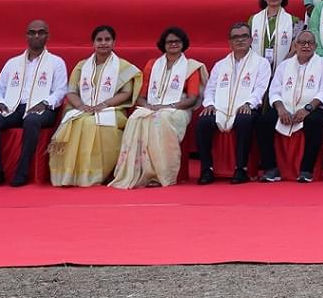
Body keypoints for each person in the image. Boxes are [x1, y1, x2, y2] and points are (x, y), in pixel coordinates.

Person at [0, 20, 69, 188]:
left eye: (41, 32)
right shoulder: (13, 63)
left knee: (32, 120)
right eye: (32, 32)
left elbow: (61, 90)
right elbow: (0, 89)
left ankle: (22, 171)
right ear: (26, 36)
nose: (36, 35)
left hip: (43, 108)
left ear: (47, 36)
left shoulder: (56, 62)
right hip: (13, 106)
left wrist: (45, 103)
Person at [110, 27, 203, 189]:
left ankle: (160, 174)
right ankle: (138, 171)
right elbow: (141, 97)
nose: (173, 44)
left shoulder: (191, 66)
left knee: (161, 119)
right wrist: (148, 106)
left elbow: (192, 98)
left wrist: (167, 106)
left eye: (177, 41)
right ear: (163, 45)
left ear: (183, 44)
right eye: (169, 41)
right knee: (136, 117)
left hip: (178, 109)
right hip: (152, 106)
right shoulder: (152, 65)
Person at [48, 26, 139, 188]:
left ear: (114, 42)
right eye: (99, 40)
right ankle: (70, 174)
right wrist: (82, 106)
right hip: (83, 109)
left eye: (107, 39)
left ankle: (94, 174)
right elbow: (71, 91)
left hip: (112, 110)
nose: (103, 43)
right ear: (93, 43)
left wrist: (103, 105)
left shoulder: (123, 66)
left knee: (90, 124)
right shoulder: (82, 66)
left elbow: (126, 92)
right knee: (75, 123)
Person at [194, 20, 269, 185]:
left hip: (247, 107)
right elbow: (211, 88)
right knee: (203, 122)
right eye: (235, 37)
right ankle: (207, 169)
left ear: (250, 40)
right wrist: (210, 104)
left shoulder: (261, 63)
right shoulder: (220, 65)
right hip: (220, 108)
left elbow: (260, 89)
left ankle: (241, 168)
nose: (240, 40)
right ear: (229, 42)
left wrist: (249, 104)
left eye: (244, 36)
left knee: (244, 119)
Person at [267, 29, 323, 183]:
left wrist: (308, 109)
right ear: (295, 45)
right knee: (264, 121)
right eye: (302, 43)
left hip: (310, 108)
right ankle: (271, 168)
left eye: (309, 43)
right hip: (285, 108)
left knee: (315, 122)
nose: (306, 46)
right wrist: (280, 109)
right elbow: (274, 90)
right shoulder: (284, 65)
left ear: (315, 46)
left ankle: (306, 169)